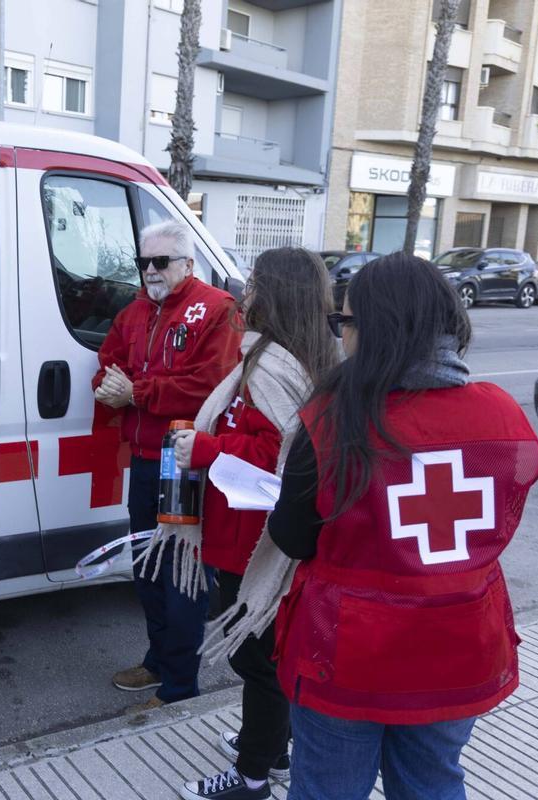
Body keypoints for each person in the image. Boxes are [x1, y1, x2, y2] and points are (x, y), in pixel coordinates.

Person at [267, 252, 538, 800]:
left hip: (345, 652)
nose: (340, 336)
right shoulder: (501, 412)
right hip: (461, 641)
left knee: (328, 789)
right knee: (433, 781)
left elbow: (294, 538)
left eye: (344, 322)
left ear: (371, 330)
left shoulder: (330, 419)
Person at [164, 249, 338, 800]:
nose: (245, 291)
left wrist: (207, 446)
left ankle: (252, 776)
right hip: (261, 531)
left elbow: (279, 454)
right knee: (267, 655)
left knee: (257, 660)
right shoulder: (303, 355)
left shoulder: (271, 364)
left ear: (277, 294)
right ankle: (273, 748)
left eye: (256, 282)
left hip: (256, 540)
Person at [93, 219, 242, 710]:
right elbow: (108, 363)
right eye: (144, 262)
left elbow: (212, 386)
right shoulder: (134, 311)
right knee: (147, 570)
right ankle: (158, 661)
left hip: (184, 462)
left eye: (161, 261)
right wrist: (115, 387)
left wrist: (137, 391)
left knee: (182, 578)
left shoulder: (216, 309)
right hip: (141, 458)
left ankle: (180, 688)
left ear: (188, 264)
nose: (151, 271)